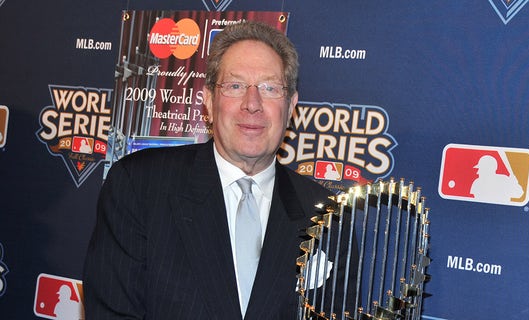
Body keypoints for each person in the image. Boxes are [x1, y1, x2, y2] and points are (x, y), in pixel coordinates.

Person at [83, 21, 355, 319]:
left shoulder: (328, 216)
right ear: (210, 102)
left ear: (291, 107)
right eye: (235, 86)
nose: (252, 104)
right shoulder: (139, 185)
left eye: (269, 88)